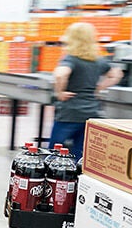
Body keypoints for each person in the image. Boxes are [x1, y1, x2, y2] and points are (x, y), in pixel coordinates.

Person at [51, 22, 122, 155]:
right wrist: (99, 88)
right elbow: (116, 74)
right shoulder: (99, 61)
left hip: (69, 113)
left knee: (55, 152)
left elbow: (60, 74)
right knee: (81, 154)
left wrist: (59, 92)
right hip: (91, 112)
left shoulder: (70, 59)